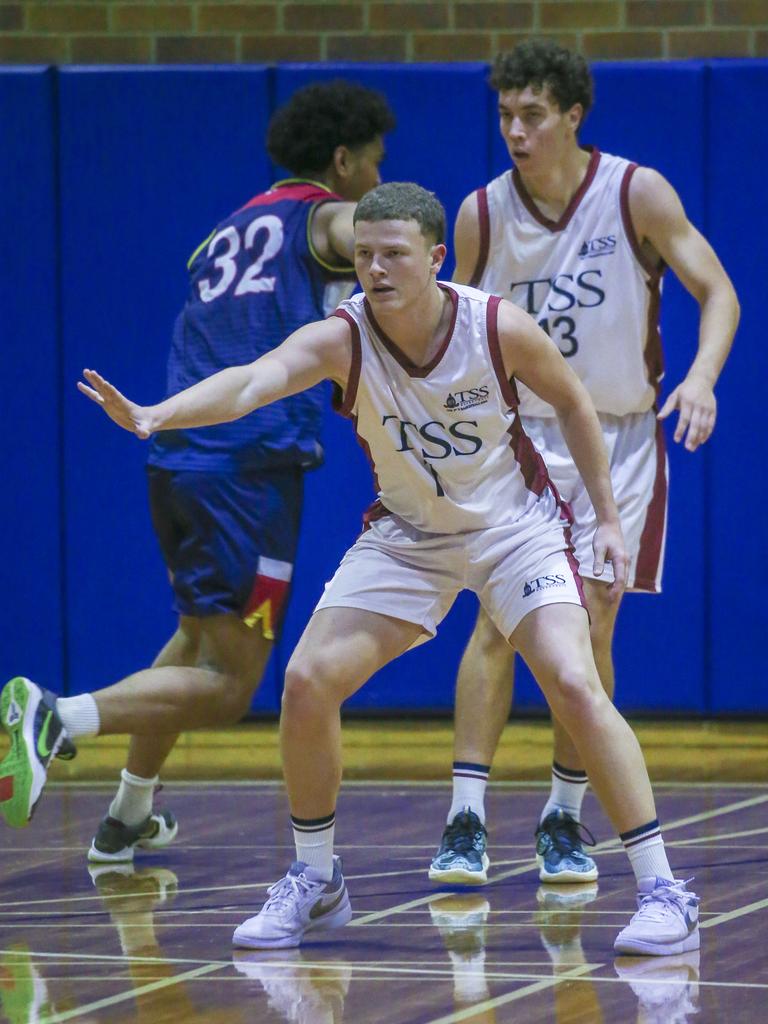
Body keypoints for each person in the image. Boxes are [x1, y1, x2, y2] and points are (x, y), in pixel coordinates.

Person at [37, 180, 700, 957]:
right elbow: (255, 381)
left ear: (435, 257)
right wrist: (161, 412)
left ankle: (663, 889)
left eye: (393, 254)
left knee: (575, 681)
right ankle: (316, 883)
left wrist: (609, 521)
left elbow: (576, 406)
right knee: (308, 680)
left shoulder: (496, 326)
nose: (375, 269)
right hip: (409, 536)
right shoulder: (342, 335)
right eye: (363, 255)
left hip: (513, 530)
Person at [0, 80, 395, 857]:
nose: (380, 181)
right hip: (245, 470)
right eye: (376, 165)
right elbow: (372, 229)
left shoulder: (227, 230)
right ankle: (55, 716)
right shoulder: (324, 219)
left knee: (192, 643)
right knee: (228, 688)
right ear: (342, 161)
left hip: (181, 461)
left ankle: (127, 815)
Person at [429, 40, 739, 888]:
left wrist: (703, 377)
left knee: (594, 618)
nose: (516, 132)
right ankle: (465, 817)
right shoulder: (480, 215)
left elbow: (719, 290)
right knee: (498, 622)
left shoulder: (635, 191)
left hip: (620, 435)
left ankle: (563, 817)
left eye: (532, 115)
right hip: (520, 440)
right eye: (505, 116)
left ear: (573, 116)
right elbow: (454, 328)